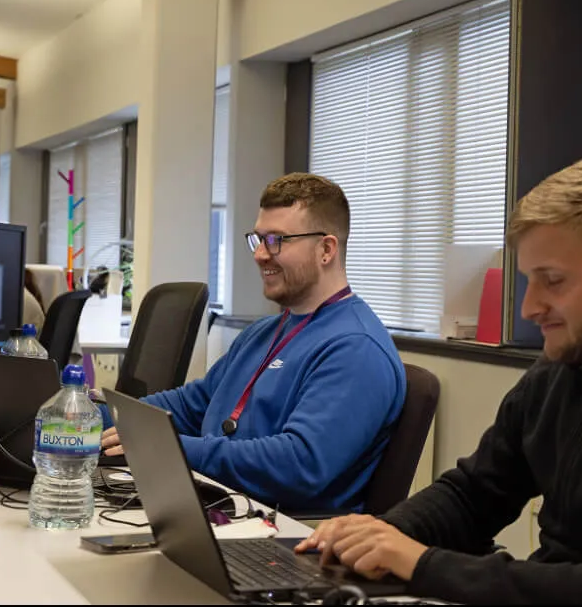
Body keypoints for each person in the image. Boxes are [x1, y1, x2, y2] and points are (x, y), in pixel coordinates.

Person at [297, 157, 582, 603]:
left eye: (552, 281)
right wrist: (383, 535)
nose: (529, 307)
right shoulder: (563, 369)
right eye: (529, 281)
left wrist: (423, 564)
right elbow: (475, 493)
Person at [101, 173, 406, 512]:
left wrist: (169, 446)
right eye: (258, 239)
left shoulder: (356, 348)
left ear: (326, 249)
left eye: (276, 240)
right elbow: (195, 404)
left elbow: (299, 465)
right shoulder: (265, 331)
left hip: (285, 535)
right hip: (222, 506)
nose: (261, 254)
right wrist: (100, 416)